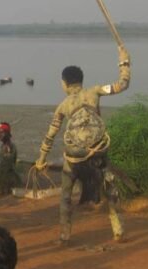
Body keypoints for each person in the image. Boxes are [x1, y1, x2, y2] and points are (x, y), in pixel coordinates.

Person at [35, 45, 131, 245]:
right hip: (98, 152)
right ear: (81, 81)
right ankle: (118, 230)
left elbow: (50, 136)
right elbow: (122, 84)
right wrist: (124, 61)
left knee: (66, 195)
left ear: (64, 83)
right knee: (110, 189)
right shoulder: (95, 92)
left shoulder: (63, 106)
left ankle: (65, 236)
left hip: (75, 157)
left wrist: (41, 160)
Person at [0, 122, 21, 195]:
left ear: (8, 133)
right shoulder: (6, 145)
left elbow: (4, 168)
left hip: (7, 179)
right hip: (7, 175)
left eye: (2, 132)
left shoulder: (7, 147)